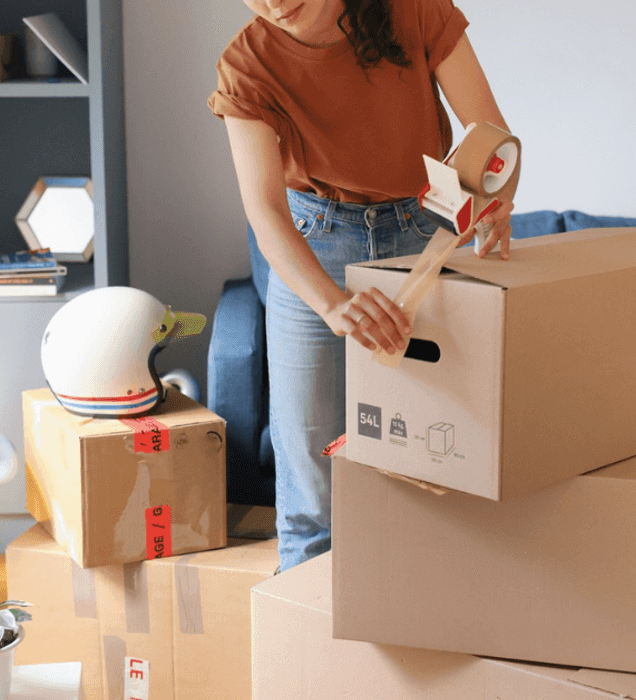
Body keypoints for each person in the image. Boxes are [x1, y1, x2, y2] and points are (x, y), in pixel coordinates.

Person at [209, 0, 514, 571]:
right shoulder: (246, 65)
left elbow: (486, 134)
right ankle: (306, 650)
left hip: (424, 233)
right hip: (315, 244)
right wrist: (330, 303)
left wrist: (495, 192)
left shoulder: (414, 10)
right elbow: (266, 210)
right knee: (311, 492)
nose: (272, 2)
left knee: (443, 460)